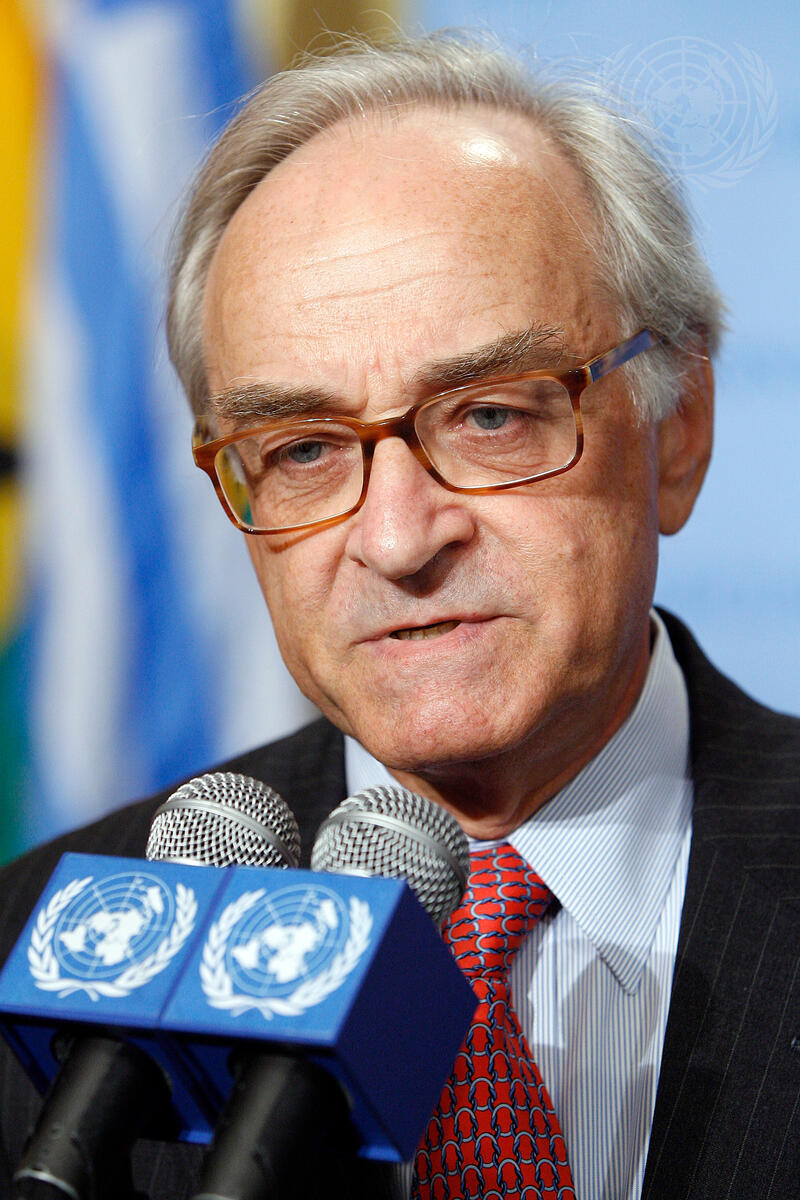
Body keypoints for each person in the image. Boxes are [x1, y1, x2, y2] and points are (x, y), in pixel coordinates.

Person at [0, 31, 797, 1200]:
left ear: (676, 431)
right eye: (302, 450)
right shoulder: (37, 958)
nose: (396, 539)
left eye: (489, 417)